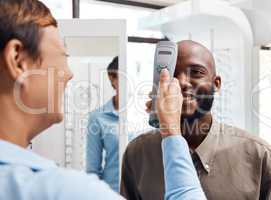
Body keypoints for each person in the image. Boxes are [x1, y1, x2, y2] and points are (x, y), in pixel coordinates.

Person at [0, 0, 206, 199]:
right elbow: (93, 168)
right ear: (18, 60)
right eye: (63, 57)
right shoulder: (65, 191)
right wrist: (171, 131)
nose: (69, 73)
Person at [120, 40, 271, 200]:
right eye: (173, 74)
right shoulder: (137, 154)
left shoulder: (261, 157)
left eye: (197, 72)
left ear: (216, 84)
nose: (183, 82)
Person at [86, 56, 135, 192]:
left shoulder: (145, 113)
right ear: (112, 79)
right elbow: (92, 170)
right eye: (124, 76)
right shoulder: (97, 117)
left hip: (143, 192)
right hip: (112, 192)